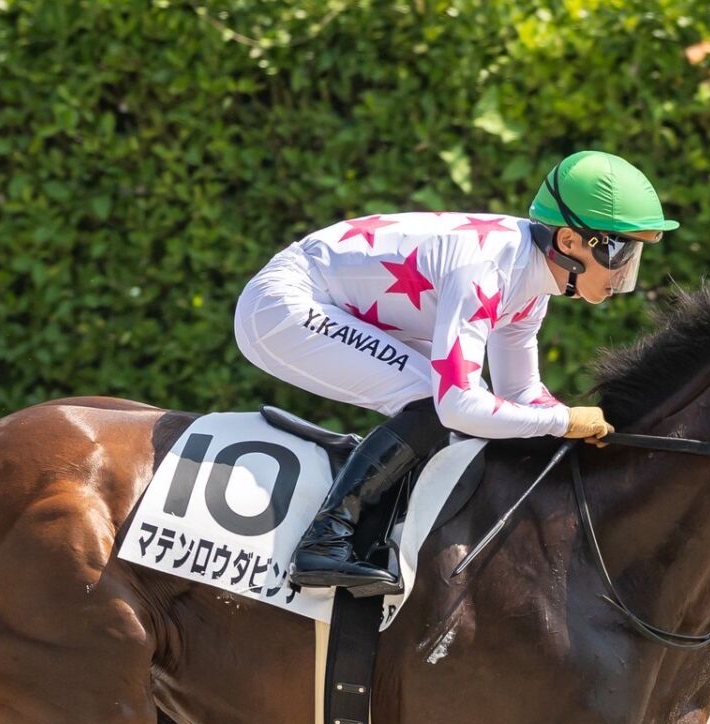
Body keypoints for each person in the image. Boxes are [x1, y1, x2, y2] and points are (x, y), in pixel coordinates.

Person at [234, 150, 679, 594]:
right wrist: (563, 420)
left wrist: (571, 425)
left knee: (461, 402)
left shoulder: (531, 286)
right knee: (437, 400)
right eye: (621, 249)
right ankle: (325, 542)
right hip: (283, 305)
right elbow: (457, 406)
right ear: (568, 241)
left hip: (322, 296)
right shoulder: (488, 270)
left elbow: (520, 391)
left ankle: (373, 531)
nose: (626, 270)